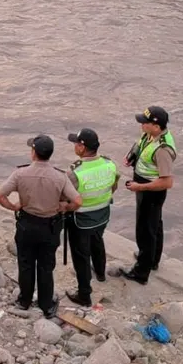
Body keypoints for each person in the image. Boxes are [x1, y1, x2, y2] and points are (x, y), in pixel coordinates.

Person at [0, 135, 82, 319]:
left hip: (26, 223)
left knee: (25, 263)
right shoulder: (60, 176)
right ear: (50, 154)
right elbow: (77, 201)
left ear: (33, 152)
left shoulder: (20, 173)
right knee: (46, 266)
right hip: (49, 226)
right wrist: (65, 207)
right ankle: (46, 304)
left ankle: (24, 300)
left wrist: (13, 206)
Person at [117, 106, 177, 285]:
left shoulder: (162, 150)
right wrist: (132, 157)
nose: (141, 125)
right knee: (155, 226)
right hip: (145, 189)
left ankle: (141, 272)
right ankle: (152, 260)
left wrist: (140, 187)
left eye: (145, 122)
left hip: (151, 193)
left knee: (145, 231)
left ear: (156, 127)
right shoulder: (150, 135)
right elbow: (141, 145)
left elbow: (167, 182)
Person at [63, 128, 119, 307]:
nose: (74, 146)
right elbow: (114, 185)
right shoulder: (109, 164)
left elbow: (66, 197)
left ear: (81, 147)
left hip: (81, 220)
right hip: (102, 215)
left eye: (76, 143)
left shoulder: (75, 172)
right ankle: (101, 273)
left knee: (81, 256)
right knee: (97, 241)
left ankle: (84, 295)